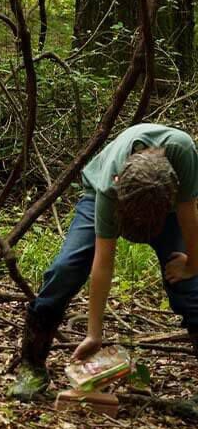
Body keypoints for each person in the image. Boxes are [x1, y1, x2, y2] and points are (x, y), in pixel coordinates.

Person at [11, 123, 198, 400]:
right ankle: (32, 366)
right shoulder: (109, 189)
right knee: (66, 268)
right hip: (104, 194)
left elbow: (188, 212)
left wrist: (192, 264)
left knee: (191, 288)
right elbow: (103, 263)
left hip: (164, 208)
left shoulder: (183, 151)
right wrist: (93, 334)